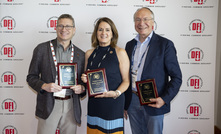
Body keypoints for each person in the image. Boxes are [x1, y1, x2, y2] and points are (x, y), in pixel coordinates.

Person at [124, 7, 182, 134]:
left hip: (154, 100)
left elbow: (177, 77)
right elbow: (126, 75)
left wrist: (164, 99)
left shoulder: (165, 45)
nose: (141, 23)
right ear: (134, 23)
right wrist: (125, 102)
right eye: (137, 19)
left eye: (146, 19)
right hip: (133, 100)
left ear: (153, 23)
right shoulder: (129, 45)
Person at [26, 14, 85, 134]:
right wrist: (44, 86)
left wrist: (82, 88)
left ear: (74, 30)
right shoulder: (41, 49)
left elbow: (84, 83)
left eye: (68, 26)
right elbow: (31, 77)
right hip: (49, 103)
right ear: (56, 28)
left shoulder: (81, 54)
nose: (64, 29)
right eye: (61, 26)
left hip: (71, 105)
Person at [81, 17, 130, 134]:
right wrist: (84, 79)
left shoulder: (120, 53)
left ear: (113, 33)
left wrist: (116, 93)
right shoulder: (89, 53)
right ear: (96, 33)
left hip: (113, 103)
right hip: (94, 104)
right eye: (100, 30)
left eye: (107, 30)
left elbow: (126, 81)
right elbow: (86, 78)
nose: (104, 33)